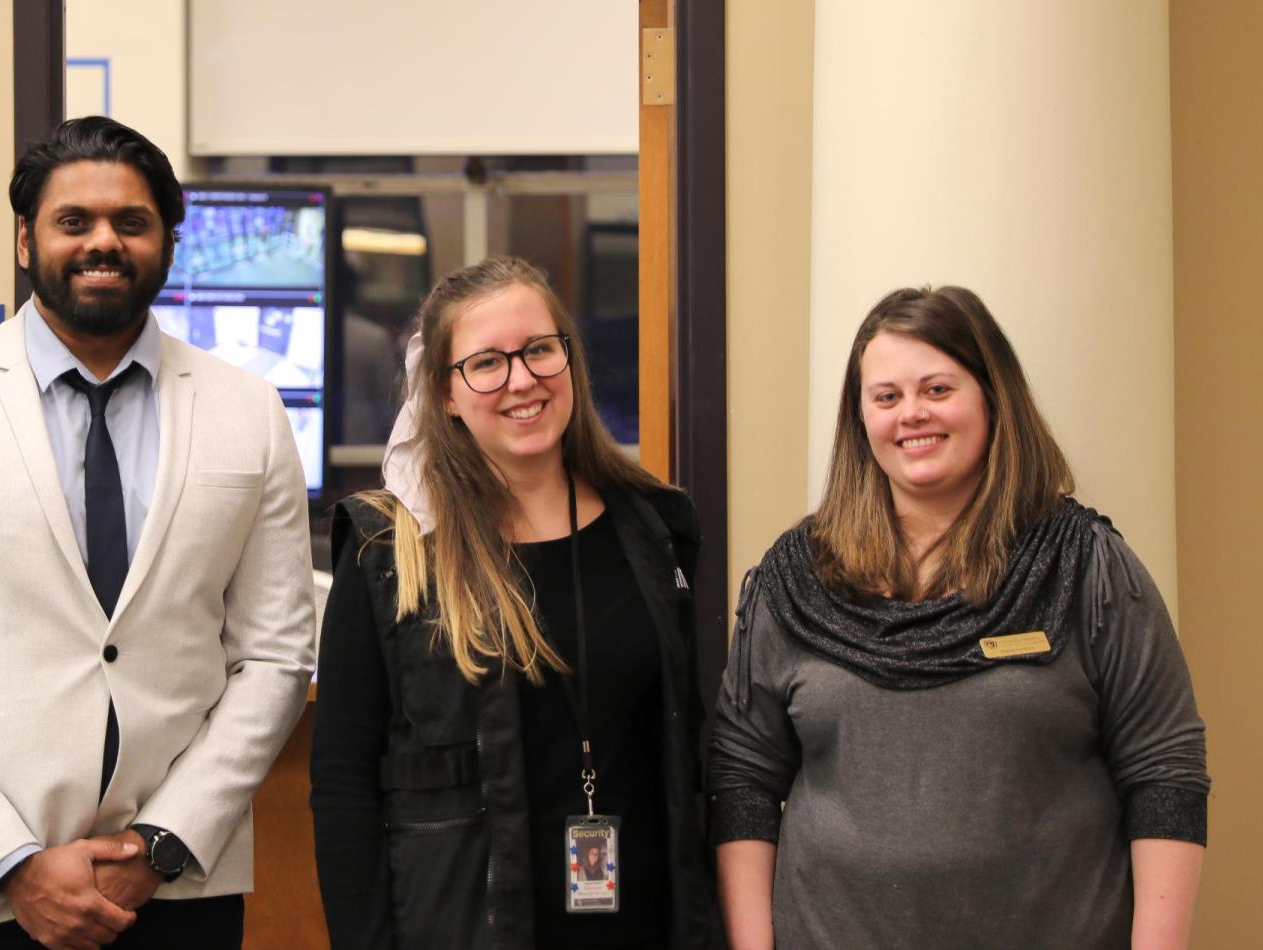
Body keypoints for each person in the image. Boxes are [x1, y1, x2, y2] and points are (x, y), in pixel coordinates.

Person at [0, 116, 316, 950]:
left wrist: (160, 846)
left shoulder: (250, 410)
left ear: (167, 240)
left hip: (177, 888)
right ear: (26, 240)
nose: (104, 242)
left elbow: (274, 654)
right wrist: (12, 861)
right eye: (74, 222)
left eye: (131, 222)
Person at [708, 286, 1210, 949]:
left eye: (938, 389)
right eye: (885, 397)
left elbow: (1165, 774)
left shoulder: (1085, 569)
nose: (911, 414)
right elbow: (742, 777)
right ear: (860, 420)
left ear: (993, 398)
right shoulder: (797, 579)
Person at [309, 257, 722, 949]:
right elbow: (343, 783)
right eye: (486, 363)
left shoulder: (656, 527)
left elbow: (685, 755)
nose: (522, 380)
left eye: (538, 350)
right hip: (472, 926)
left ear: (569, 357)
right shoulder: (388, 552)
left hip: (645, 924)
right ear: (445, 392)